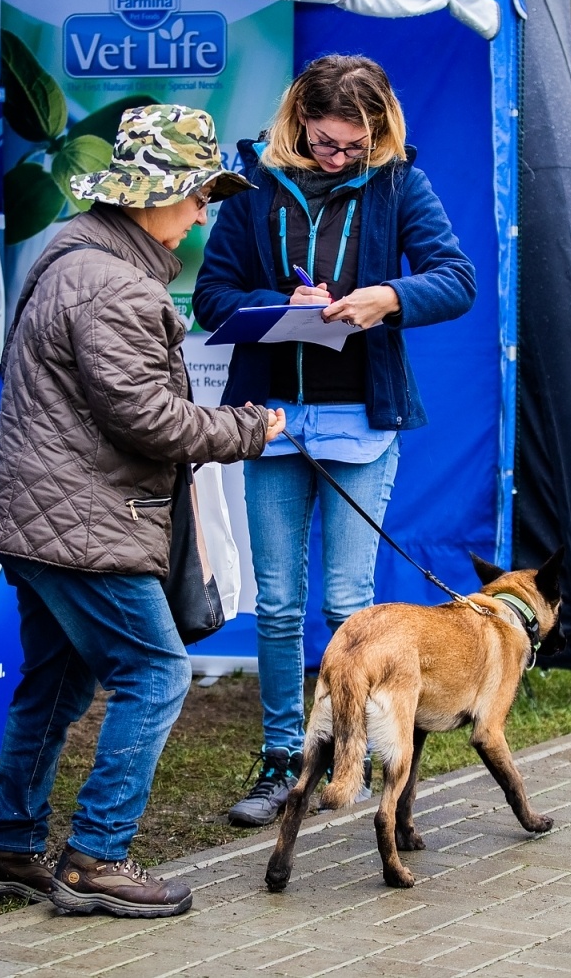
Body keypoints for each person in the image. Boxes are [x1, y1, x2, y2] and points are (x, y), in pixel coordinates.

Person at [0, 104, 287, 918]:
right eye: (196, 196)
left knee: (58, 679)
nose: (203, 214)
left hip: (45, 515)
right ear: (149, 196)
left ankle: (9, 847)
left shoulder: (78, 255)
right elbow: (147, 418)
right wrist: (251, 426)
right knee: (155, 672)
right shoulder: (112, 284)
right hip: (81, 523)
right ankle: (96, 858)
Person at [192, 55, 477, 827]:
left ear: (378, 130)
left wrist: (391, 296)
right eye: (325, 143)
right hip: (273, 418)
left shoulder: (399, 184)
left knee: (350, 605)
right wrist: (278, 302)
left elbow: (457, 278)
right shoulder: (251, 187)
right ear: (297, 123)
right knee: (279, 605)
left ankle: (346, 754)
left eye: (354, 145)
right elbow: (210, 297)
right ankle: (282, 759)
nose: (339, 158)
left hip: (362, 420)